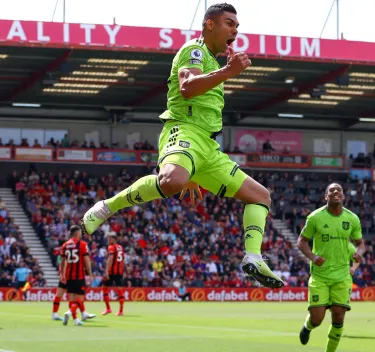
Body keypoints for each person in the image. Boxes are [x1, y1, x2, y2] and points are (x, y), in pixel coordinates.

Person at [80, 3, 283, 289]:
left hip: (208, 147)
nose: (235, 30)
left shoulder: (213, 59)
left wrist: (195, 168)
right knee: (173, 180)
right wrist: (229, 71)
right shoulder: (194, 50)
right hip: (183, 130)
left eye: (237, 25)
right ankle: (107, 207)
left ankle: (253, 258)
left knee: (261, 196)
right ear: (210, 24)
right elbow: (187, 88)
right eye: (229, 23)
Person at [297, 183, 363, 352]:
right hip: (320, 276)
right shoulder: (315, 217)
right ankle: (308, 326)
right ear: (326, 197)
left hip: (342, 276)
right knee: (317, 318)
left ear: (343, 196)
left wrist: (358, 253)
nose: (335, 192)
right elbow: (301, 241)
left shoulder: (352, 219)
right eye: (331, 190)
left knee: (338, 317)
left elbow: (361, 244)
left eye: (339, 190)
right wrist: (312, 257)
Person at [60, 225, 92, 326]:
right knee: (79, 299)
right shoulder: (82, 244)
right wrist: (90, 274)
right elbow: (86, 260)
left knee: (72, 299)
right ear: (77, 234)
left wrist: (62, 274)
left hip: (69, 276)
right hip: (79, 276)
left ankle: (75, 320)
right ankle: (69, 313)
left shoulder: (65, 245)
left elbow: (62, 261)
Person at [51, 253, 96, 321]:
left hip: (65, 275)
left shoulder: (67, 252)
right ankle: (77, 314)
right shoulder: (74, 254)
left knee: (60, 295)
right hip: (71, 277)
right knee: (76, 297)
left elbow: (62, 263)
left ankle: (55, 314)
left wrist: (62, 274)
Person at [102, 232, 125, 316]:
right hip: (119, 272)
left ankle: (108, 308)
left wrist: (106, 271)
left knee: (104, 288)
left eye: (109, 239)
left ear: (113, 239)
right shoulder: (121, 248)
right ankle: (121, 311)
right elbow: (122, 260)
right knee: (120, 290)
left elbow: (110, 259)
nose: (108, 240)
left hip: (112, 272)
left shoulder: (111, 247)